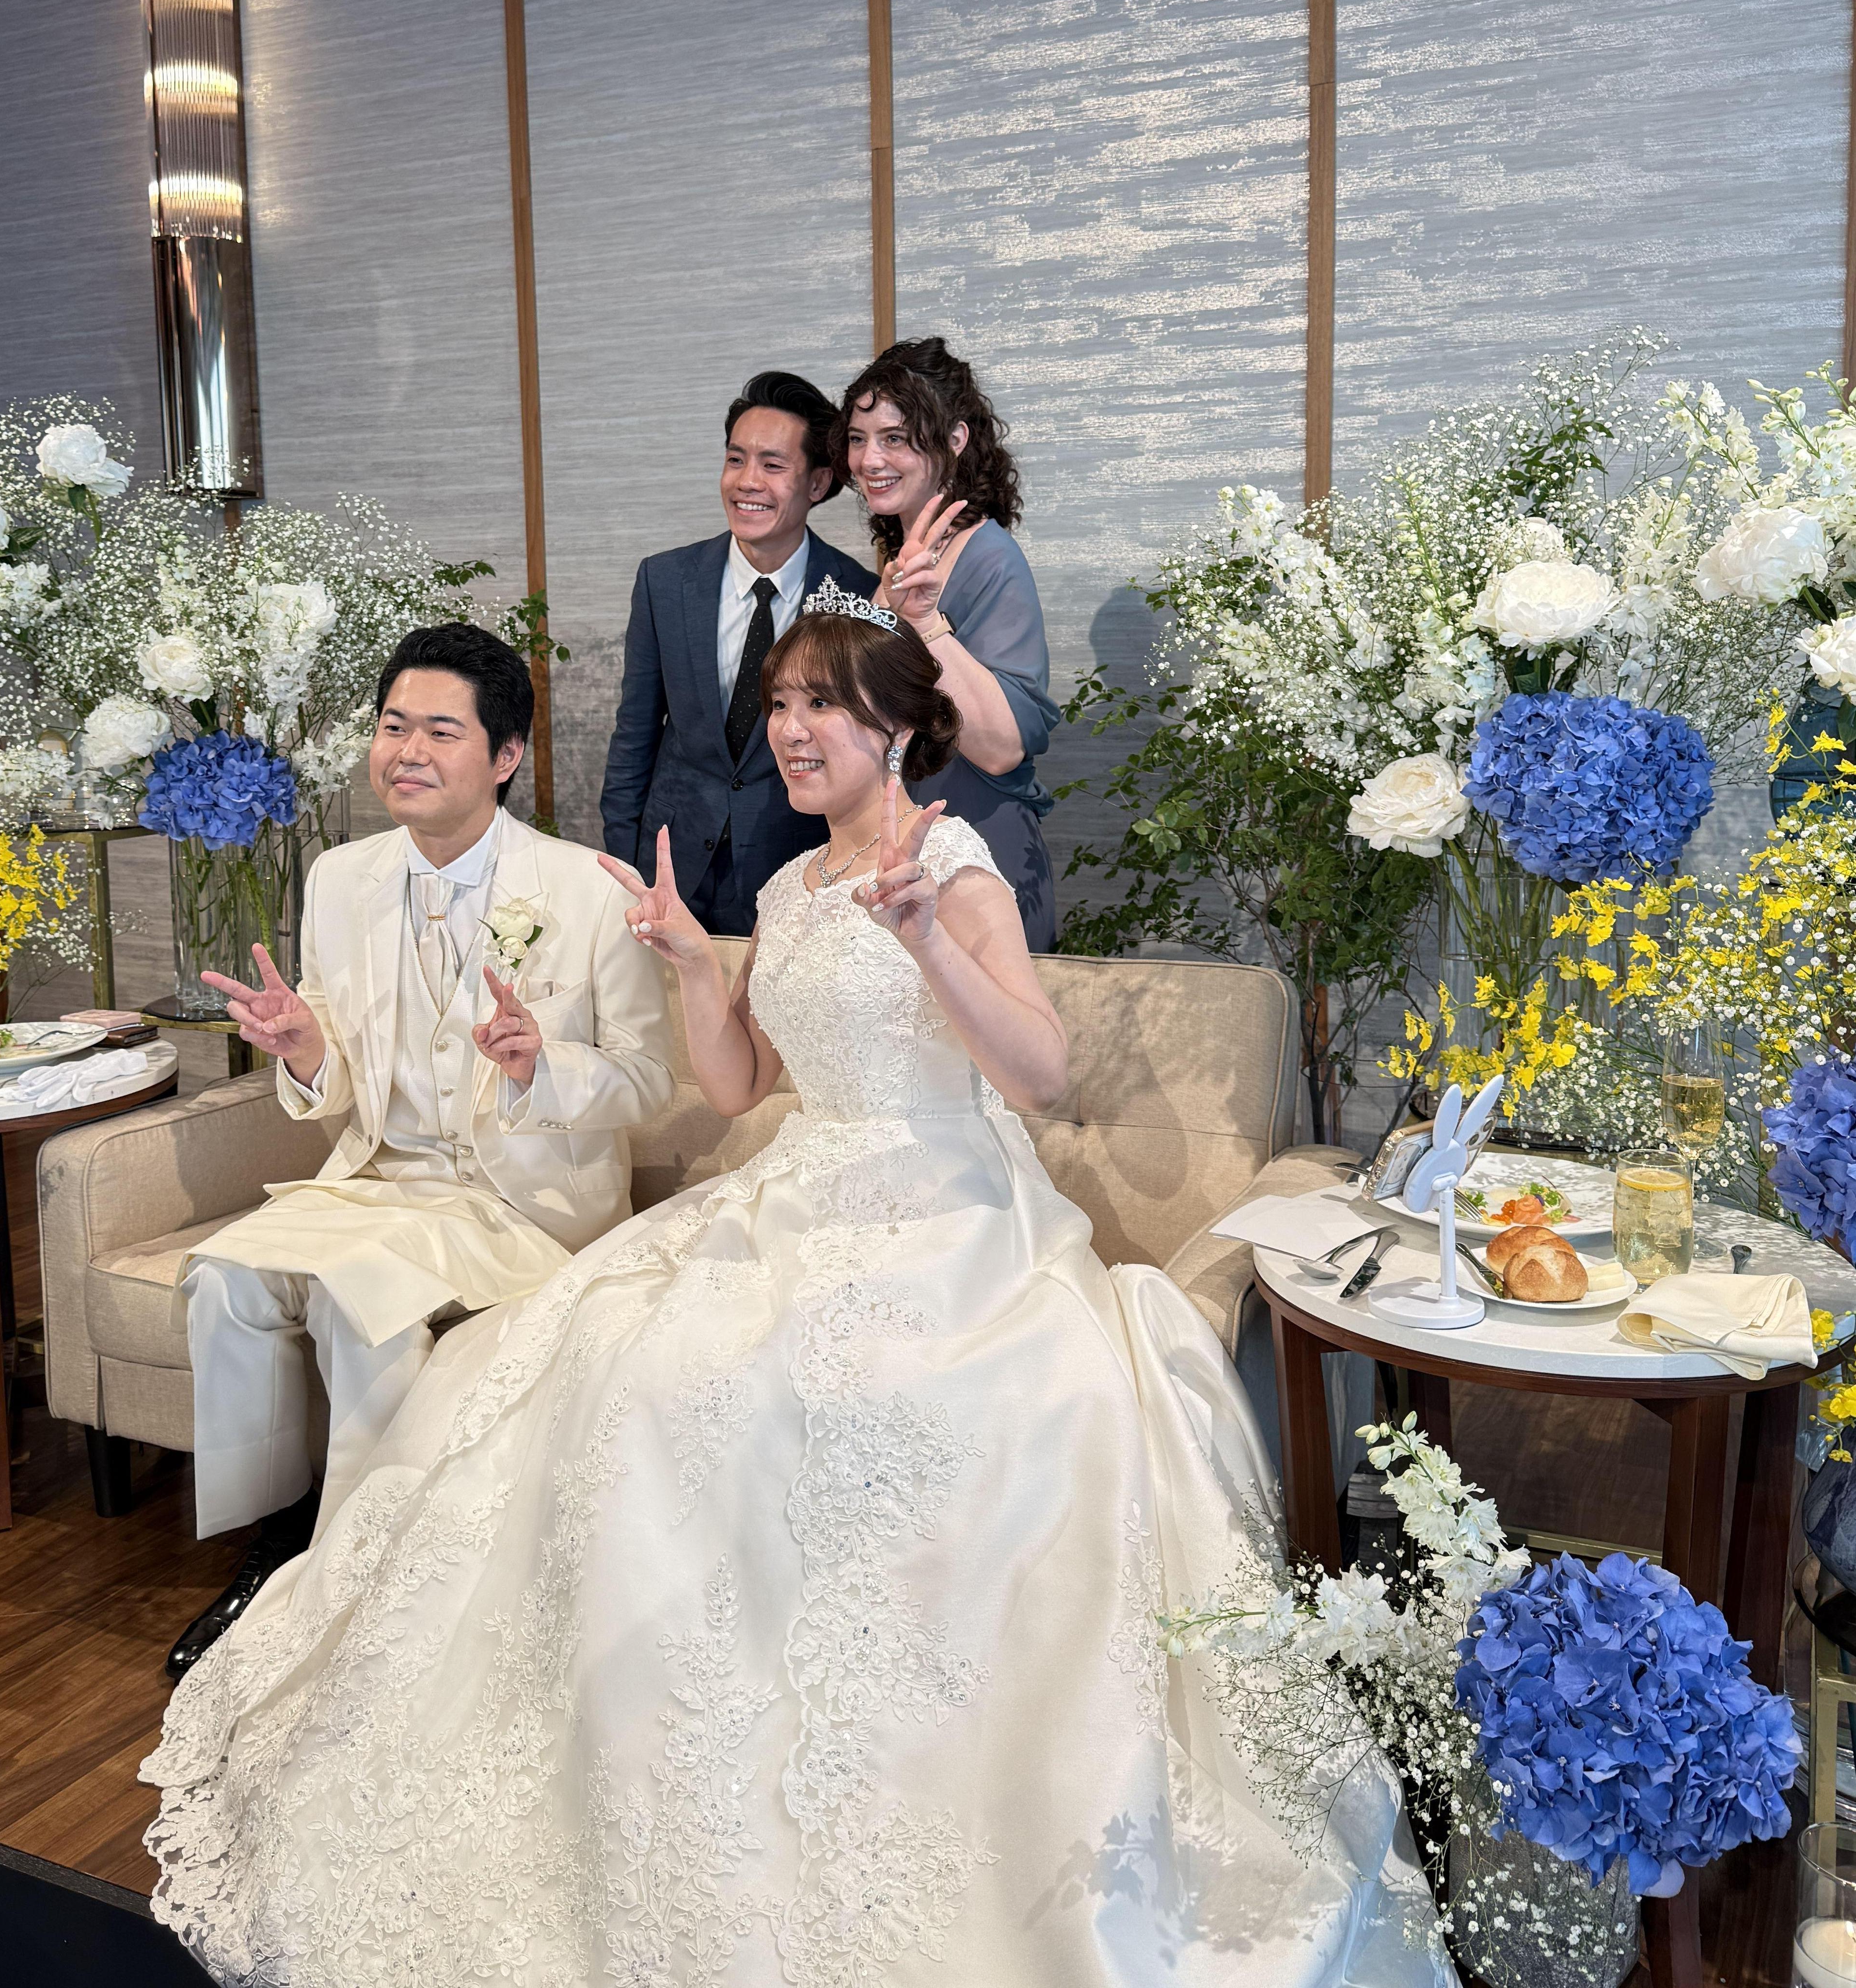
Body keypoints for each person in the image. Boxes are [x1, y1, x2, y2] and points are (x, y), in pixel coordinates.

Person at [142, 557, 1439, 1986]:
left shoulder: (952, 862)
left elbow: (1043, 1076)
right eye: (779, 705)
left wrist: (930, 943)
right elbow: (740, 1081)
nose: (793, 729)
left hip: (947, 1208)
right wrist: (697, 967)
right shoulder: (789, 880)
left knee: (860, 1397)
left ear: (897, 725)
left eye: (824, 704)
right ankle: (661, 1729)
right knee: (638, 1365)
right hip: (796, 1192)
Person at [159, 622, 673, 1682]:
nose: (408, 752)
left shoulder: (590, 889)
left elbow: (650, 1079)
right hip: (378, 1183)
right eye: (394, 727)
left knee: (363, 1301)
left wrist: (541, 1066)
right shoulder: (340, 877)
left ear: (506, 755)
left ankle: (365, 1578)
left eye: (442, 731)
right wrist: (305, 1048)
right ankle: (281, 1542)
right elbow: (340, 1080)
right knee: (226, 1274)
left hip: (521, 1207)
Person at [600, 368, 877, 937]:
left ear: (818, 482)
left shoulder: (857, 595)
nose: (747, 481)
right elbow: (634, 734)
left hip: (796, 864)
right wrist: (627, 862)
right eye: (735, 460)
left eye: (772, 466)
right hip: (671, 863)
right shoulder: (665, 581)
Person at [835, 334, 1062, 949]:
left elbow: (1004, 748)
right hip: (907, 861)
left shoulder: (990, 556)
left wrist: (929, 623)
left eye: (895, 438)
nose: (869, 459)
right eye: (858, 439)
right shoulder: (902, 560)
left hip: (973, 859)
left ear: (955, 440)